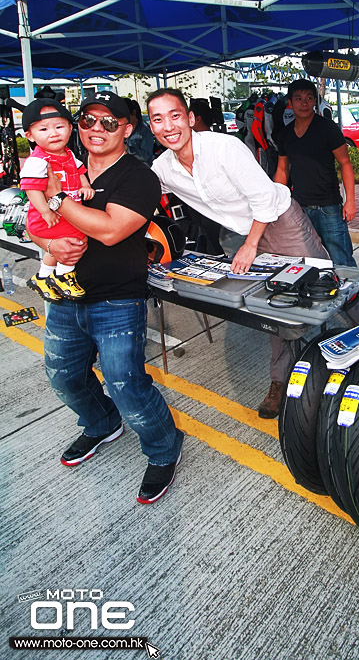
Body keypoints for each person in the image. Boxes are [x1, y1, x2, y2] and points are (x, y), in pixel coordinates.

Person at [27, 90, 183, 504]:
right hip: (63, 297)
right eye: (88, 120)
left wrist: (58, 198)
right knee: (63, 377)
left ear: (127, 130)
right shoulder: (60, 162)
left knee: (126, 384)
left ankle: (165, 447)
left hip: (116, 299)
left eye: (109, 122)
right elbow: (28, 218)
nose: (97, 129)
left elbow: (112, 229)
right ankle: (100, 424)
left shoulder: (139, 177)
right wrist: (47, 242)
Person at [146, 88, 330, 418]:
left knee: (326, 287)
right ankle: (280, 380)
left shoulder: (224, 147)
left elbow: (263, 200)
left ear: (189, 119)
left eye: (175, 116)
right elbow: (139, 196)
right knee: (275, 306)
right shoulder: (162, 168)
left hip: (281, 219)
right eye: (158, 119)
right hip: (250, 231)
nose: (168, 126)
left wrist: (249, 246)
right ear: (151, 127)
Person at [274, 79, 358, 267]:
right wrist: (277, 201)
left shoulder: (327, 128)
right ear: (290, 102)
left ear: (315, 101)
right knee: (306, 260)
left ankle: (353, 295)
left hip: (329, 208)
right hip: (299, 208)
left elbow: (345, 162)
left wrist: (350, 201)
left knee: (342, 259)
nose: (304, 103)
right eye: (298, 98)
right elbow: (282, 169)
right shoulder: (285, 134)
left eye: (309, 98)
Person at [21, 98, 93, 302]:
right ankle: (63, 275)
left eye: (59, 127)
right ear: (30, 135)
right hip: (48, 216)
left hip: (62, 212)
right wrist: (45, 211)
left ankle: (44, 276)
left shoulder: (69, 154)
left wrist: (85, 185)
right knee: (79, 237)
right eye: (43, 129)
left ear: (70, 129)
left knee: (72, 237)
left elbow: (79, 172)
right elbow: (32, 189)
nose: (53, 133)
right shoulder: (38, 160)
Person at [125, 98, 155, 165]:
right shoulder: (122, 129)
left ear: (133, 112)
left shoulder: (144, 130)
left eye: (126, 115)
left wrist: (128, 149)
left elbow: (146, 156)